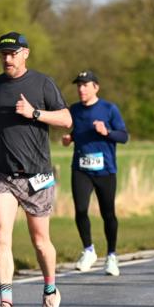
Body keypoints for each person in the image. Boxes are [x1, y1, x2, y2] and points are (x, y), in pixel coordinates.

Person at [0, 32, 71, 307]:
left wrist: (34, 113)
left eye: (12, 53)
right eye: (3, 54)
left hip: (38, 176)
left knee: (40, 240)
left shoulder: (42, 83)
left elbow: (66, 119)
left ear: (25, 54)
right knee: (1, 234)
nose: (7, 59)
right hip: (3, 175)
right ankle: (6, 304)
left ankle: (50, 291)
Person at [63, 70, 129, 276]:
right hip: (81, 168)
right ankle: (89, 250)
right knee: (81, 210)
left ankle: (111, 256)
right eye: (78, 85)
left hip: (105, 170)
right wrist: (70, 138)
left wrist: (106, 132)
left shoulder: (109, 109)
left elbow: (124, 136)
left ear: (95, 87)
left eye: (85, 85)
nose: (81, 89)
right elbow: (79, 131)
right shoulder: (73, 109)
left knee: (107, 213)